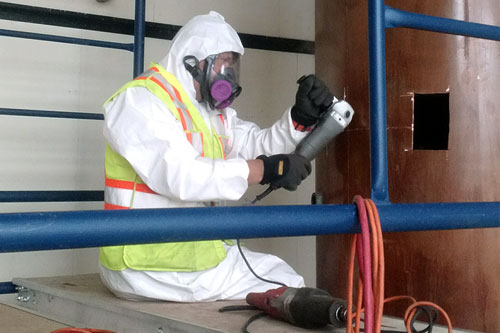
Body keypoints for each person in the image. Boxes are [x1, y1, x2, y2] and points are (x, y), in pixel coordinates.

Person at [99, 11, 333, 302]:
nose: (229, 76)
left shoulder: (209, 113)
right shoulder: (140, 101)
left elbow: (255, 145)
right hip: (148, 265)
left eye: (232, 66)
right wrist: (262, 170)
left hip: (189, 256)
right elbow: (181, 175)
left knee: (282, 278)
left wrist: (299, 120)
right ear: (193, 62)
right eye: (222, 64)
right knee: (286, 287)